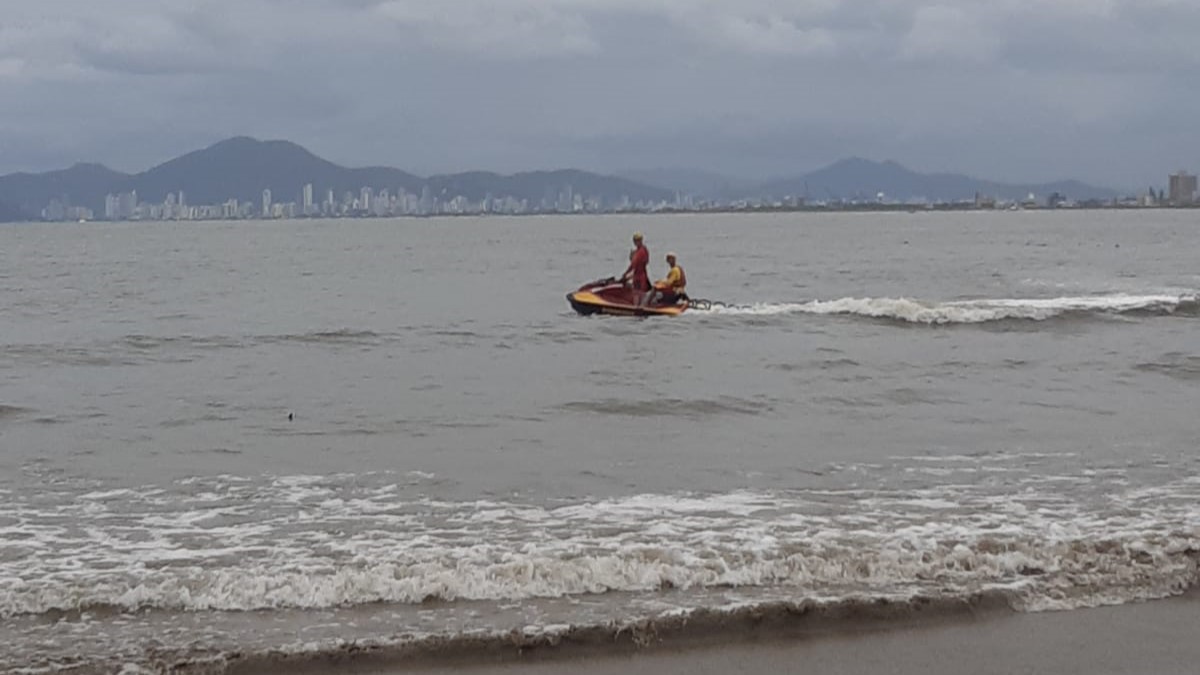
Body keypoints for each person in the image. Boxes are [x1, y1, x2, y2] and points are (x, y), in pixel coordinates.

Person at [621, 232, 650, 298]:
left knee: (640, 293)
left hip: (641, 275)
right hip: (636, 275)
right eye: (635, 241)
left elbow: (636, 264)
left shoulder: (642, 251)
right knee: (636, 292)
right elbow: (633, 265)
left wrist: (627, 274)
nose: (636, 242)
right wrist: (626, 274)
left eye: (638, 240)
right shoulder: (637, 251)